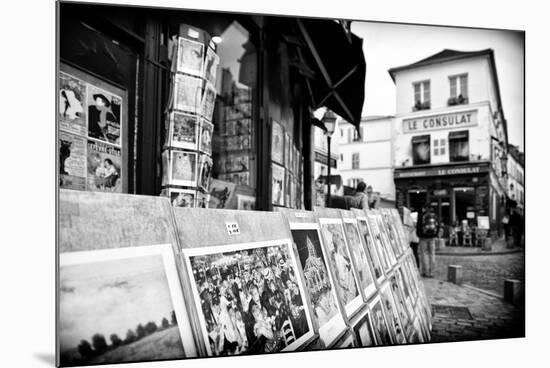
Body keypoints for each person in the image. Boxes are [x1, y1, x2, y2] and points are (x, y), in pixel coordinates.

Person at [416, 203, 439, 278]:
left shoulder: (422, 215)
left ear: (425, 208)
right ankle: (432, 272)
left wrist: (419, 235)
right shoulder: (434, 216)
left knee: (424, 254)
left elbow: (418, 226)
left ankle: (425, 272)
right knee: (432, 254)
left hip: (423, 238)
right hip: (432, 238)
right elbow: (438, 226)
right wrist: (435, 235)